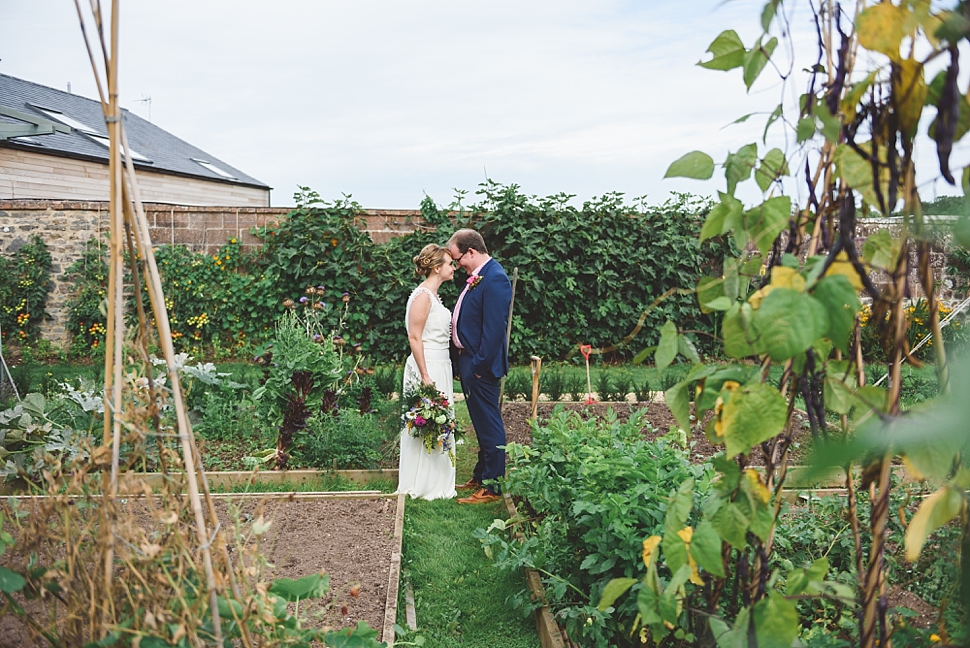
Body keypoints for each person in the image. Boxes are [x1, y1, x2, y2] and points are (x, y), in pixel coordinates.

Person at [447, 229, 512, 505]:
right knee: (481, 421)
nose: (457, 264)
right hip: (470, 361)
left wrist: (477, 366)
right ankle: (481, 474)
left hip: (480, 365)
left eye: (457, 258)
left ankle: (493, 487)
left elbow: (495, 330)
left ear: (471, 252)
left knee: (489, 424)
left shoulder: (496, 278)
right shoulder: (479, 277)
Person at [396, 244, 458, 500]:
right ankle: (421, 482)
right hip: (428, 365)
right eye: (449, 263)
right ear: (436, 268)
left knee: (439, 422)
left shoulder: (433, 296)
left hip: (440, 363)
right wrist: (425, 375)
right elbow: (414, 336)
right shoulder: (422, 296)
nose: (453, 267)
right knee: (426, 422)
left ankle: (437, 480)